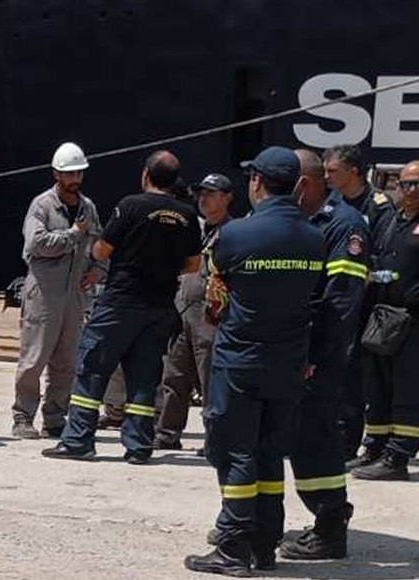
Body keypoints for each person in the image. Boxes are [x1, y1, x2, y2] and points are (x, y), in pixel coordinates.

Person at [185, 147, 332, 575]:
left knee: (236, 454)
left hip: (240, 360)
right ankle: (265, 545)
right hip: (288, 362)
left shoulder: (236, 236)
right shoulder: (314, 238)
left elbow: (216, 298)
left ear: (256, 183)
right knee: (269, 454)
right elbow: (318, 301)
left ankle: (233, 548)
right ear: (299, 185)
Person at [44, 150, 202, 464]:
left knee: (92, 367)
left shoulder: (130, 206)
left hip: (121, 302)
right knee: (144, 377)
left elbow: (102, 251)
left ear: (146, 175)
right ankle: (139, 446)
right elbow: (193, 265)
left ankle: (77, 440)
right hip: (159, 306)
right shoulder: (187, 215)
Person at [274, 150, 370, 560]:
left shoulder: (343, 224)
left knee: (315, 436)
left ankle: (331, 527)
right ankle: (256, 522)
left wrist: (313, 355)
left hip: (319, 354)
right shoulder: (300, 221)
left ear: (305, 184)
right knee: (291, 435)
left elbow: (340, 303)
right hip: (293, 349)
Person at [12, 142, 103, 440]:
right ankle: (23, 416)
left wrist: (98, 270)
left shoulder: (88, 208)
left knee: (66, 361)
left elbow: (100, 245)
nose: (75, 178)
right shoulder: (42, 206)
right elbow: (35, 244)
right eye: (69, 173)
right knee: (34, 357)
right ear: (56, 174)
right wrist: (72, 235)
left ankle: (54, 417)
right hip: (44, 292)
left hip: (75, 295)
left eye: (79, 172)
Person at [325, 145, 395, 460]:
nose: (327, 177)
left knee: (358, 373)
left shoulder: (379, 207)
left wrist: (369, 278)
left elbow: (388, 262)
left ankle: (351, 442)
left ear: (353, 171)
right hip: (336, 298)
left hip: (369, 304)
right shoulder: (331, 204)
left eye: (333, 171)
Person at [154, 173, 233, 451]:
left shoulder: (233, 233)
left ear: (227, 198)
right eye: (201, 193)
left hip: (211, 315)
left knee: (211, 378)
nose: (203, 198)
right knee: (174, 373)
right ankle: (167, 432)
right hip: (181, 308)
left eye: (211, 194)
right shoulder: (192, 229)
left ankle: (216, 438)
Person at [353, 159, 419, 482]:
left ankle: (398, 455)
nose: (410, 190)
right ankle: (375, 445)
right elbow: (382, 261)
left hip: (413, 319)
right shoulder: (394, 219)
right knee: (377, 383)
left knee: (407, 388)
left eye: (416, 184)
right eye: (405, 184)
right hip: (383, 315)